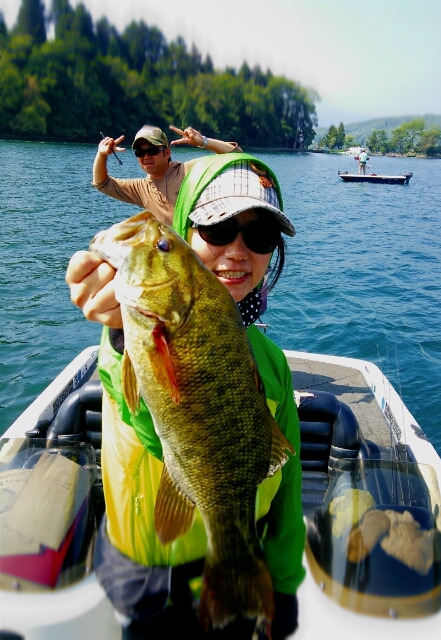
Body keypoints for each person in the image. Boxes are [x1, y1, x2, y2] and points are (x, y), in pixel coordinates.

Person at [66, 153, 306, 640]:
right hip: (146, 586)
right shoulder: (129, 337)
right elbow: (147, 422)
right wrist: (120, 337)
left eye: (260, 237)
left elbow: (288, 490)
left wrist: (283, 584)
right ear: (187, 234)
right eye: (217, 229)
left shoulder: (273, 363)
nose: (237, 251)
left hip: (237, 565)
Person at [94, 124, 242, 225]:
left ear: (167, 153)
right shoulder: (141, 189)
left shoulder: (188, 170)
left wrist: (203, 141)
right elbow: (102, 184)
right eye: (140, 152)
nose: (146, 156)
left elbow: (236, 156)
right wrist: (101, 155)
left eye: (152, 150)